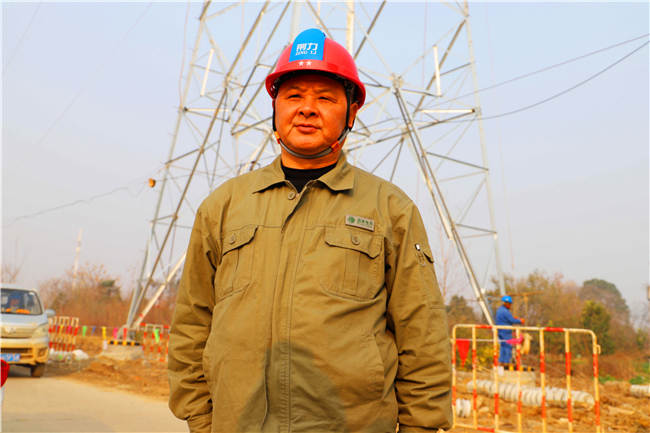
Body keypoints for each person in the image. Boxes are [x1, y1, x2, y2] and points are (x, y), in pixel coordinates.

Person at [168, 28, 452, 433]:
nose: (306, 109)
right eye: (294, 96)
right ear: (275, 107)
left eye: (325, 98)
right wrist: (201, 419)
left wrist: (420, 426)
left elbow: (422, 333)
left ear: (352, 112)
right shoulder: (224, 206)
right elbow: (191, 324)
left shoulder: (390, 209)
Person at [495, 295, 525, 365]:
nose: (510, 306)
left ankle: (501, 363)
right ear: (506, 303)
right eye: (510, 304)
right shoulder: (505, 311)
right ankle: (506, 363)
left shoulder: (500, 310)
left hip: (500, 331)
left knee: (503, 347)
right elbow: (511, 320)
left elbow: (507, 319)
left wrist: (514, 318)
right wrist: (520, 321)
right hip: (506, 332)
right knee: (508, 347)